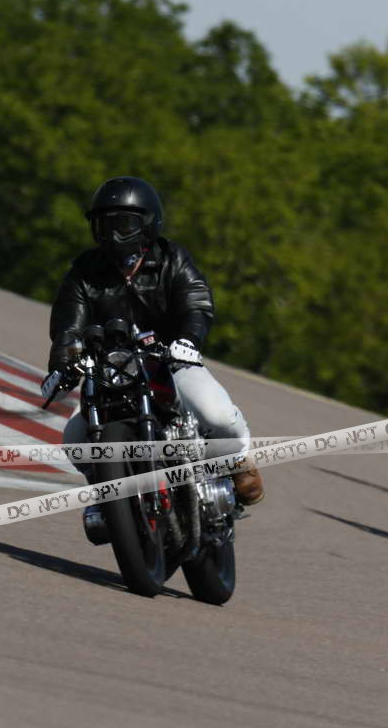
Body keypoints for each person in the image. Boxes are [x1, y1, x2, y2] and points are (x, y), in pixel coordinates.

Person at [42, 176, 264, 537]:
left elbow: (196, 301)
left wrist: (188, 340)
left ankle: (238, 461)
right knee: (75, 439)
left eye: (123, 224)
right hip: (111, 371)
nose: (113, 234)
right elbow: (68, 325)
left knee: (217, 415)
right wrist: (62, 365)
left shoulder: (171, 259)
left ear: (147, 224)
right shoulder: (85, 272)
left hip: (171, 362)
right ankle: (108, 495)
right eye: (104, 224)